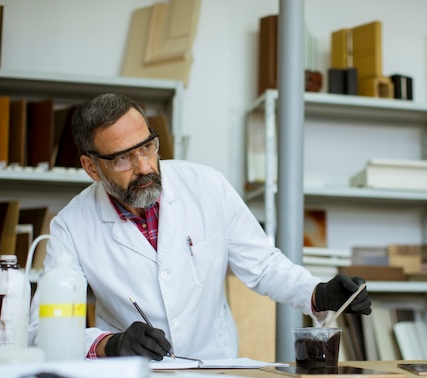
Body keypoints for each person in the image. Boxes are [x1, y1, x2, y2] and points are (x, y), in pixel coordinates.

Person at [28, 93, 371, 360]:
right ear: (91, 167)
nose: (144, 166)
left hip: (215, 368)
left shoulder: (207, 186)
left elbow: (263, 265)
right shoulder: (71, 226)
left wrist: (317, 293)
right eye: (122, 158)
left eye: (147, 147)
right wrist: (110, 344)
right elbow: (40, 329)